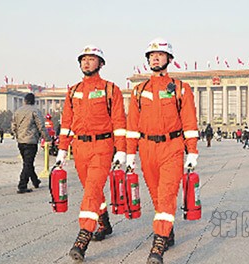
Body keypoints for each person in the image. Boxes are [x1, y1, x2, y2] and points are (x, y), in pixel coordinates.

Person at [126, 38, 199, 264]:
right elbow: (132, 126)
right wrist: (129, 154)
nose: (155, 58)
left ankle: (158, 243)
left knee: (167, 194)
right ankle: (168, 231)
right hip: (147, 149)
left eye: (160, 54)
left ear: (169, 59)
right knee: (157, 196)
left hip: (172, 147)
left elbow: (189, 121)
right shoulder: (139, 91)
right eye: (151, 55)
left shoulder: (180, 89)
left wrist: (192, 151)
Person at [56, 45, 126, 262]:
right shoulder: (73, 90)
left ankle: (83, 238)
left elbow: (119, 123)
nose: (86, 63)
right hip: (80, 147)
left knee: (92, 190)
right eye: (83, 59)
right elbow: (66, 123)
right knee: (91, 188)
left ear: (101, 64)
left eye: (91, 59)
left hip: (102, 147)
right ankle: (104, 222)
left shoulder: (110, 89)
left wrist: (121, 150)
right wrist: (62, 149)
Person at [11, 93, 48, 193]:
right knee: (28, 163)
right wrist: (47, 138)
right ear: (34, 101)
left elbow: (13, 126)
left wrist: (18, 136)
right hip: (31, 141)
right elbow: (41, 126)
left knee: (27, 162)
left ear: (25, 101)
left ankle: (35, 181)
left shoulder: (17, 111)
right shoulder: (35, 111)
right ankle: (22, 185)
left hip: (21, 142)